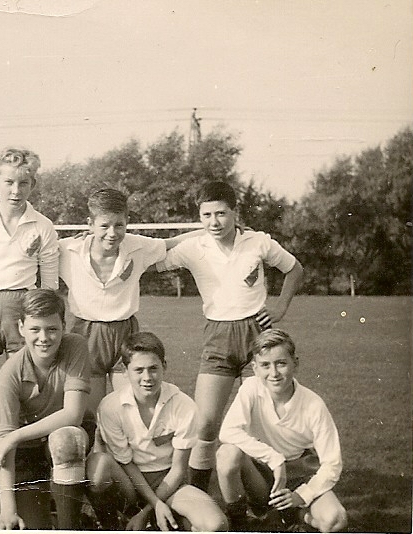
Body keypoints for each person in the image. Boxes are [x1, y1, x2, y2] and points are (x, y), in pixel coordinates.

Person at [157, 180, 304, 491]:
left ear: (235, 212)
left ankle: (270, 496)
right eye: (206, 215)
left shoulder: (257, 242)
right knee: (205, 423)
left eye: (221, 213)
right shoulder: (194, 248)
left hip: (259, 335)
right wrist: (190, 235)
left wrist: (279, 308)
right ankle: (198, 495)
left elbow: (295, 269)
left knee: (263, 421)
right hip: (218, 335)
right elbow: (153, 258)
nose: (214, 222)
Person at [59, 188, 202, 418]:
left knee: (131, 410)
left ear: (127, 221)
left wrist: (219, 229)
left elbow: (173, 242)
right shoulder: (67, 249)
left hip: (125, 332)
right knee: (90, 416)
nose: (112, 233)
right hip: (85, 334)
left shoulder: (138, 246)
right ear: (90, 224)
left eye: (119, 225)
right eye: (104, 226)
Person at [86, 332, 227, 531]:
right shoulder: (110, 406)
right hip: (130, 482)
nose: (147, 378)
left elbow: (178, 470)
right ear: (125, 371)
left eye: (153, 368)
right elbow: (125, 462)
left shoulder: (183, 405)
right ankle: (114, 526)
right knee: (98, 465)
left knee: (216, 525)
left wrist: (148, 510)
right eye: (139, 370)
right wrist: (154, 504)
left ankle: (154, 519)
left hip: (169, 484)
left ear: (164, 366)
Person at [216, 329, 347, 532]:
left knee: (335, 519)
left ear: (295, 363)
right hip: (260, 474)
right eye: (265, 365)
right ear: (255, 368)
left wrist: (301, 495)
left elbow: (332, 463)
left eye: (281, 363)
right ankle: (240, 522)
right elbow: (227, 431)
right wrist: (273, 458)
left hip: (298, 475)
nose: (274, 373)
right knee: (227, 453)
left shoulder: (313, 404)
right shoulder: (251, 388)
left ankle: (291, 513)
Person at [0, 288, 90, 530]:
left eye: (52, 329)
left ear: (64, 326)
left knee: (65, 440)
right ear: (21, 327)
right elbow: (4, 444)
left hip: (68, 437)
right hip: (29, 450)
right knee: (34, 526)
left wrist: (15, 436)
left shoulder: (75, 346)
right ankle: (53, 509)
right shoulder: (10, 372)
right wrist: (7, 510)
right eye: (35, 329)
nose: (43, 338)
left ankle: (69, 526)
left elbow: (73, 415)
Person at [0, 147, 59, 380]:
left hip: (23, 305)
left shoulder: (43, 226)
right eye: (9, 182)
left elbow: (49, 283)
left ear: (32, 184)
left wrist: (37, 318)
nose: (16, 191)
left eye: (23, 183)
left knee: (26, 383)